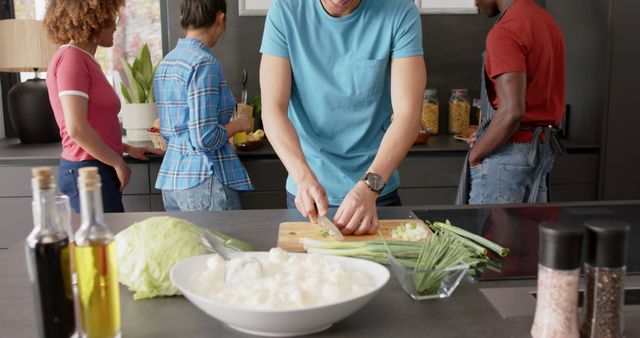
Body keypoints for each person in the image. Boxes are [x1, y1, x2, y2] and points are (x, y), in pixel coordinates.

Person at [260, 0, 426, 235]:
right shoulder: (286, 10)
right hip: (307, 194)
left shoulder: (399, 11)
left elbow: (408, 115)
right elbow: (273, 109)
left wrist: (369, 188)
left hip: (376, 192)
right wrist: (303, 178)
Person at [45, 0, 163, 213]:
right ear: (91, 20)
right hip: (87, 170)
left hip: (96, 166)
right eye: (111, 19)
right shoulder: (72, 59)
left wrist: (126, 148)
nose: (115, 26)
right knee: (103, 243)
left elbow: (94, 123)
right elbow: (77, 129)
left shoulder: (84, 59)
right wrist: (118, 163)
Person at [461, 0, 567, 205]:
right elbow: (531, 100)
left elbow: (512, 112)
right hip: (540, 151)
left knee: (488, 236)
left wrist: (475, 155)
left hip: (507, 156)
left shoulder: (506, 29)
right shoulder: (545, 20)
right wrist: (487, 132)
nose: (475, 3)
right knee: (528, 236)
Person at [153, 0, 253, 212]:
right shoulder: (204, 63)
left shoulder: (168, 62)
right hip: (204, 181)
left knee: (187, 246)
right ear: (220, 18)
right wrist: (239, 125)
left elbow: (170, 132)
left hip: (173, 180)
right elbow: (204, 138)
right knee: (224, 246)